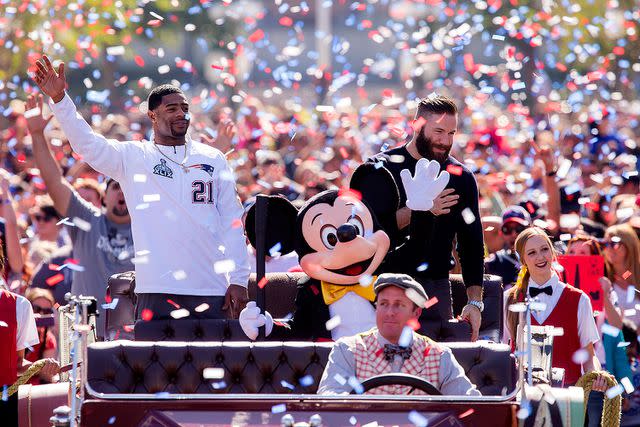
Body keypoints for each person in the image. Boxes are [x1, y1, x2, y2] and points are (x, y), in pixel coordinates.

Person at [31, 55, 250, 320]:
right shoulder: (134, 156)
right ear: (152, 116)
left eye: (184, 108)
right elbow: (87, 145)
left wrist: (239, 279)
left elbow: (232, 222)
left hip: (212, 287)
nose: (181, 113)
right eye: (171, 109)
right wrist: (60, 101)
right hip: (156, 289)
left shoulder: (213, 158)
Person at [356, 94, 484, 340]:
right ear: (417, 125)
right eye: (438, 132)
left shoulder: (461, 177)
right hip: (383, 285)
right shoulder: (378, 170)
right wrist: (419, 208)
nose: (445, 141)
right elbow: (369, 232)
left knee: (431, 369)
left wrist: (474, 302)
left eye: (451, 133)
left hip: (434, 289)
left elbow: (472, 242)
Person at [25, 93, 134, 337]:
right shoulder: (87, 220)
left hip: (133, 344)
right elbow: (55, 181)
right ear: (104, 196)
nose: (122, 194)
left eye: (128, 188)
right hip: (84, 339)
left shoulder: (150, 228)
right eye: (116, 186)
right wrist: (36, 135)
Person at [317, 273, 481, 395]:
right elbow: (330, 401)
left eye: (398, 305)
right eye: (383, 304)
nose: (389, 312)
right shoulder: (347, 350)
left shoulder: (439, 355)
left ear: (415, 313)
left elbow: (469, 403)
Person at [503, 227, 602, 386]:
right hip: (522, 396)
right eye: (532, 253)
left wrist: (597, 376)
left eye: (544, 249)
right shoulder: (509, 299)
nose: (540, 257)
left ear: (552, 252)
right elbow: (503, 350)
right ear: (523, 260)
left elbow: (589, 357)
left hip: (568, 398)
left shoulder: (580, 299)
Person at [0, 287, 59, 426]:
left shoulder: (19, 305)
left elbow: (16, 364)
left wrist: (42, 366)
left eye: (46, 311)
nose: (41, 315)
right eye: (37, 308)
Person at [485, 206, 531, 289]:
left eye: (519, 229)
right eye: (507, 229)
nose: (514, 234)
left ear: (530, 229)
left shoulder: (542, 256)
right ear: (501, 233)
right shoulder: (494, 263)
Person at [603, 224, 640, 326]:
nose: (608, 249)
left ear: (629, 245)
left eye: (614, 243)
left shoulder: (631, 275)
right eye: (605, 244)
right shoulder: (604, 278)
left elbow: (627, 275)